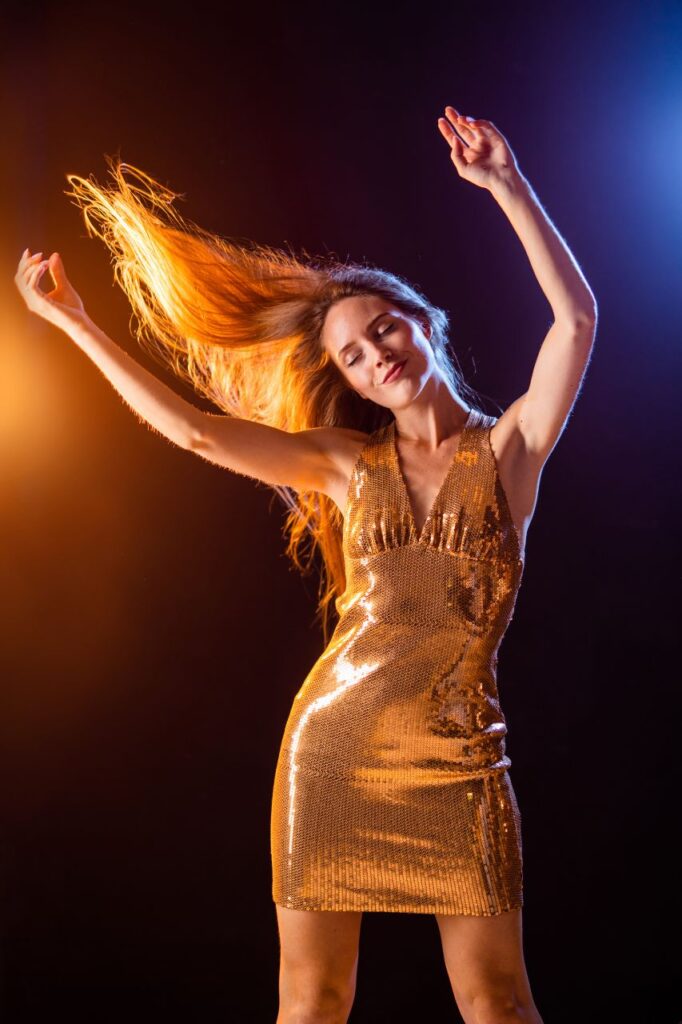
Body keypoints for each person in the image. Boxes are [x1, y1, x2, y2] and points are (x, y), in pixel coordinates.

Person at [14, 105, 596, 1024]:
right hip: (335, 750)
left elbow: (575, 319)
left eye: (385, 334)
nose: (376, 359)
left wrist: (507, 186)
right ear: (352, 381)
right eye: (355, 359)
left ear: (422, 323)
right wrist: (78, 324)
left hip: (462, 758)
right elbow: (199, 435)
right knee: (313, 997)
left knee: (497, 997)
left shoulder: (514, 448)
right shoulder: (341, 463)